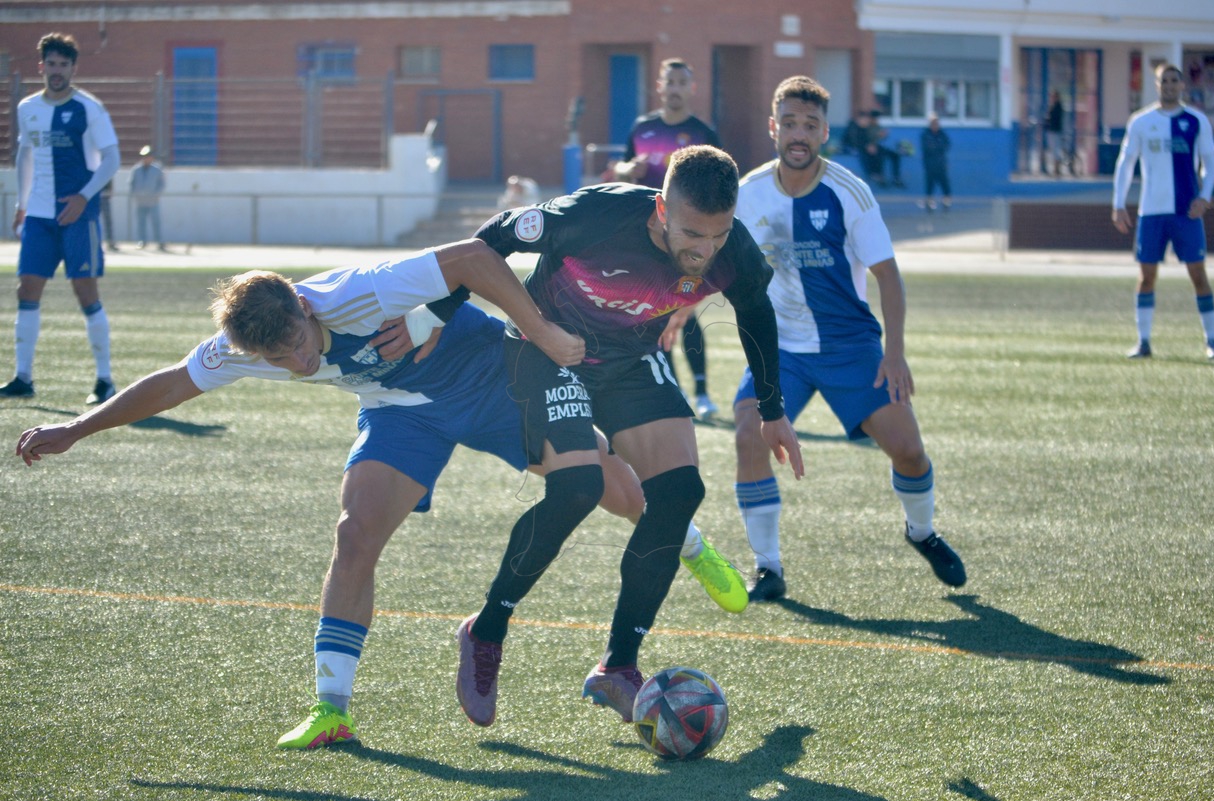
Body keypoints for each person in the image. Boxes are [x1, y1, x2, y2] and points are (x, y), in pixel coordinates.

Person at [14, 240, 744, 749]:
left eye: (300, 340)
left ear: (305, 304)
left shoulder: (358, 292)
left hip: (492, 375)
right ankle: (331, 707)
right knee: (354, 533)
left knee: (607, 485)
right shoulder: (253, 344)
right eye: (280, 357)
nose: (298, 359)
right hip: (402, 412)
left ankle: (689, 544)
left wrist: (539, 332)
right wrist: (79, 427)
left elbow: (474, 259)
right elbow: (174, 381)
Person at [460, 145, 803, 726]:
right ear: (660, 210)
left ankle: (618, 667)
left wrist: (773, 410)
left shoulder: (732, 250)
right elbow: (485, 244)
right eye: (692, 232)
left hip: (627, 359)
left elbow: (755, 311)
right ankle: (486, 629)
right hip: (547, 352)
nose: (704, 250)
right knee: (576, 489)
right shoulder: (596, 214)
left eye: (717, 236)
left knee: (678, 493)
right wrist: (436, 319)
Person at [731, 75, 965, 603]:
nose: (798, 134)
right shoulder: (747, 195)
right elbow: (717, 262)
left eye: (809, 125)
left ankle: (922, 533)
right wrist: (678, 310)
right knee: (748, 433)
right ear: (773, 127)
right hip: (781, 349)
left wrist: (895, 353)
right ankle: (768, 567)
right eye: (789, 123)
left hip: (849, 345)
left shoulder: (848, 192)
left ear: (824, 133)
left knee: (907, 451)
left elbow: (888, 275)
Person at [3, 32, 121, 405]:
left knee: (86, 294)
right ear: (41, 66)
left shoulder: (89, 108)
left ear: (73, 68)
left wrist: (84, 197)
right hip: (39, 216)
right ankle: (23, 378)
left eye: (63, 65)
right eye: (50, 64)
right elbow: (25, 155)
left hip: (78, 216)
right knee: (27, 290)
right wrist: (21, 204)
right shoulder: (28, 108)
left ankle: (104, 381)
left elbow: (113, 159)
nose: (56, 71)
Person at [612, 58, 722, 419]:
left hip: (688, 241)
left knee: (686, 311)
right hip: (647, 240)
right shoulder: (642, 128)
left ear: (691, 88)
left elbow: (722, 184)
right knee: (655, 315)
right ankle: (674, 391)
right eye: (669, 82)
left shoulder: (703, 132)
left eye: (681, 82)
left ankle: (704, 392)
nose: (674, 88)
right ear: (659, 86)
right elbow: (622, 170)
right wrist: (629, 170)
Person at [1112, 63, 1214, 361]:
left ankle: (1212, 342)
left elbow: (1211, 164)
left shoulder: (1196, 120)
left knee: (1198, 274)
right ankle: (1143, 342)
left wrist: (1204, 197)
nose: (1170, 85)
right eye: (1164, 81)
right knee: (1146, 276)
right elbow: (1125, 163)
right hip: (1151, 212)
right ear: (1156, 85)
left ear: (1182, 85)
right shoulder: (1141, 121)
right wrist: (1118, 204)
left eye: (1175, 80)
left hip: (1186, 212)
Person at [130, 145, 166, 251]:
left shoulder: (157, 170)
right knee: (141, 222)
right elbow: (132, 183)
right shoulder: (136, 170)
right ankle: (141, 241)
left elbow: (161, 184)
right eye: (144, 156)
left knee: (156, 221)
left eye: (148, 156)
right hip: (140, 201)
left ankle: (159, 241)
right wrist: (135, 194)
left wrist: (156, 194)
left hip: (153, 201)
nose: (146, 158)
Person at [919, 114, 952, 212]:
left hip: (941, 164)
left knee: (945, 185)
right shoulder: (926, 135)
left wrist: (936, 147)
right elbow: (928, 148)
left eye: (936, 123)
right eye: (933, 123)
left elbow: (946, 145)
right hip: (930, 165)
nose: (935, 125)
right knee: (930, 185)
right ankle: (929, 205)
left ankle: (946, 204)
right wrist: (936, 147)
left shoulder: (942, 134)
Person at [1043, 90, 1065, 176]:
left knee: (1056, 150)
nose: (1052, 98)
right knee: (1054, 150)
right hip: (1054, 131)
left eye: (1053, 96)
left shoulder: (1058, 107)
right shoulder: (1055, 106)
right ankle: (1056, 169)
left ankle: (1057, 169)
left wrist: (1048, 120)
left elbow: (1054, 119)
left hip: (1055, 131)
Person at [100, 179, 119, 252]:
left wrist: (110, 191)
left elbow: (110, 180)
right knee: (92, 221)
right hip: (93, 198)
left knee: (108, 221)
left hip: (105, 197)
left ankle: (110, 242)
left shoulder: (105, 168)